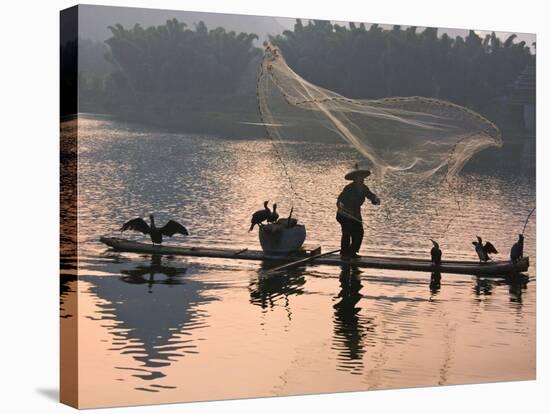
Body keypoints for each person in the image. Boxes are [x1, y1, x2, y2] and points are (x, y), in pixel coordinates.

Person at [336, 166, 380, 258]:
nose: (361, 179)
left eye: (362, 177)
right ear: (355, 179)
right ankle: (344, 253)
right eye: (359, 177)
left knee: (359, 232)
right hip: (344, 214)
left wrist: (375, 199)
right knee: (347, 231)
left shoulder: (364, 188)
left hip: (356, 213)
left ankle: (352, 252)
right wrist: (341, 205)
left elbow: (371, 196)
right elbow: (340, 200)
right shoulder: (348, 188)